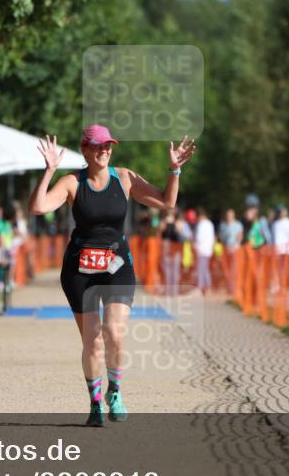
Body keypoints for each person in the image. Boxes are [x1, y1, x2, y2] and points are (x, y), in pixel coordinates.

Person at [29, 125, 195, 427]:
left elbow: (166, 202)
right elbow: (38, 207)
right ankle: (95, 404)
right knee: (92, 341)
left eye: (108, 145)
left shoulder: (125, 178)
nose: (104, 150)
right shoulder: (72, 182)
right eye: (97, 146)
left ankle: (114, 391)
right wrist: (49, 170)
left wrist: (174, 171)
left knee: (115, 334)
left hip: (117, 266)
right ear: (85, 150)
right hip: (80, 270)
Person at [159, 208, 184, 296]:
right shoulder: (164, 221)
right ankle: (169, 291)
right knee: (168, 270)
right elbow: (160, 232)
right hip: (166, 247)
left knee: (174, 270)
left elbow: (180, 232)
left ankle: (174, 291)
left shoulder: (178, 222)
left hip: (175, 248)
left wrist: (174, 224)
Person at [218, 208, 244, 293]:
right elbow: (221, 237)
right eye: (227, 215)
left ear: (233, 216)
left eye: (230, 215)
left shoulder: (238, 225)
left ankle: (235, 287)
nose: (228, 217)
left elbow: (240, 236)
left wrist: (235, 244)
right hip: (226, 249)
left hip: (235, 249)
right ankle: (229, 286)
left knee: (234, 268)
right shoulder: (223, 225)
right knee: (227, 269)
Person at [272, 205, 289, 292]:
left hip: (288, 250)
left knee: (287, 270)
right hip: (278, 251)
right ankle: (279, 286)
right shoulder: (275, 224)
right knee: (278, 270)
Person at [194, 208, 216, 295]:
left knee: (201, 269)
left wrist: (195, 243)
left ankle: (200, 287)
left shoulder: (201, 224)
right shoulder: (210, 224)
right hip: (208, 250)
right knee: (205, 269)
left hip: (201, 250)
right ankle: (208, 287)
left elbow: (199, 238)